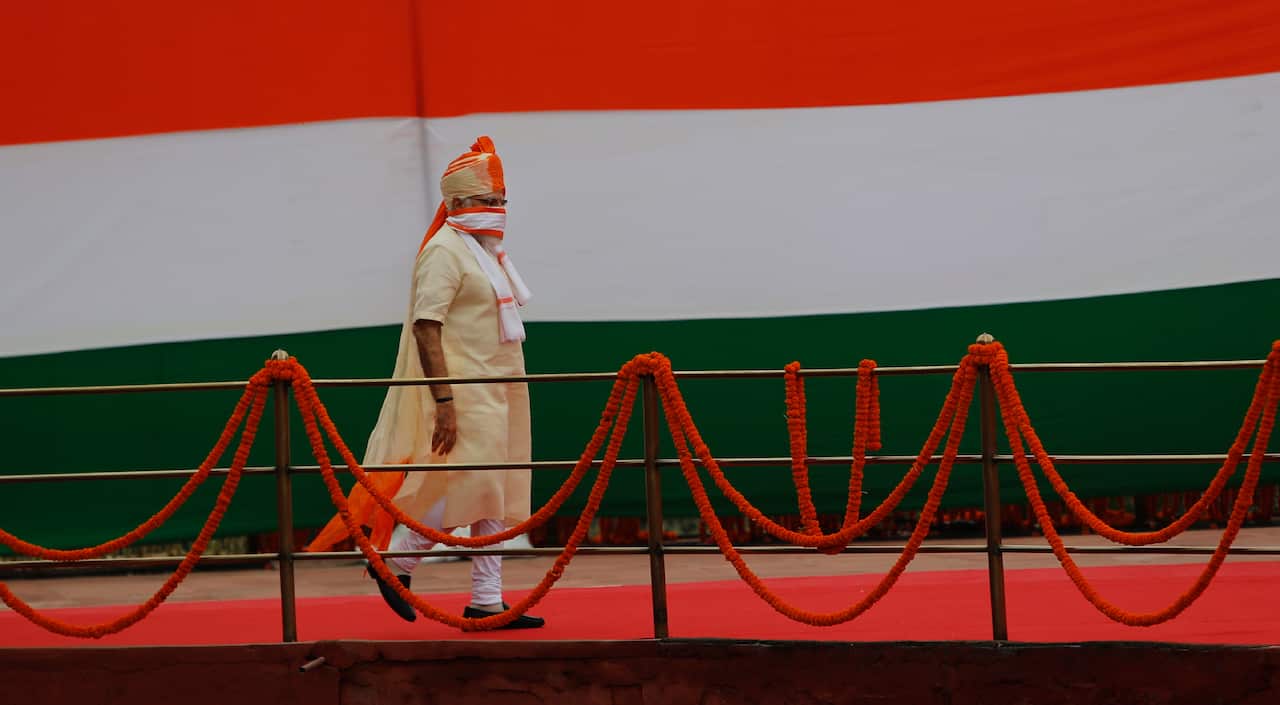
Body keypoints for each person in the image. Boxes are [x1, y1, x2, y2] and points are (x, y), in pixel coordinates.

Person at [307, 136, 542, 629]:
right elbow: (425, 325)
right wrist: (445, 401)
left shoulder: (488, 252)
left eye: (502, 200)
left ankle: (487, 599)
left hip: (503, 389)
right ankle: (396, 563)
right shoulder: (444, 251)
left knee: (495, 492)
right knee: (462, 487)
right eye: (487, 201)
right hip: (463, 391)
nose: (497, 209)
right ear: (456, 204)